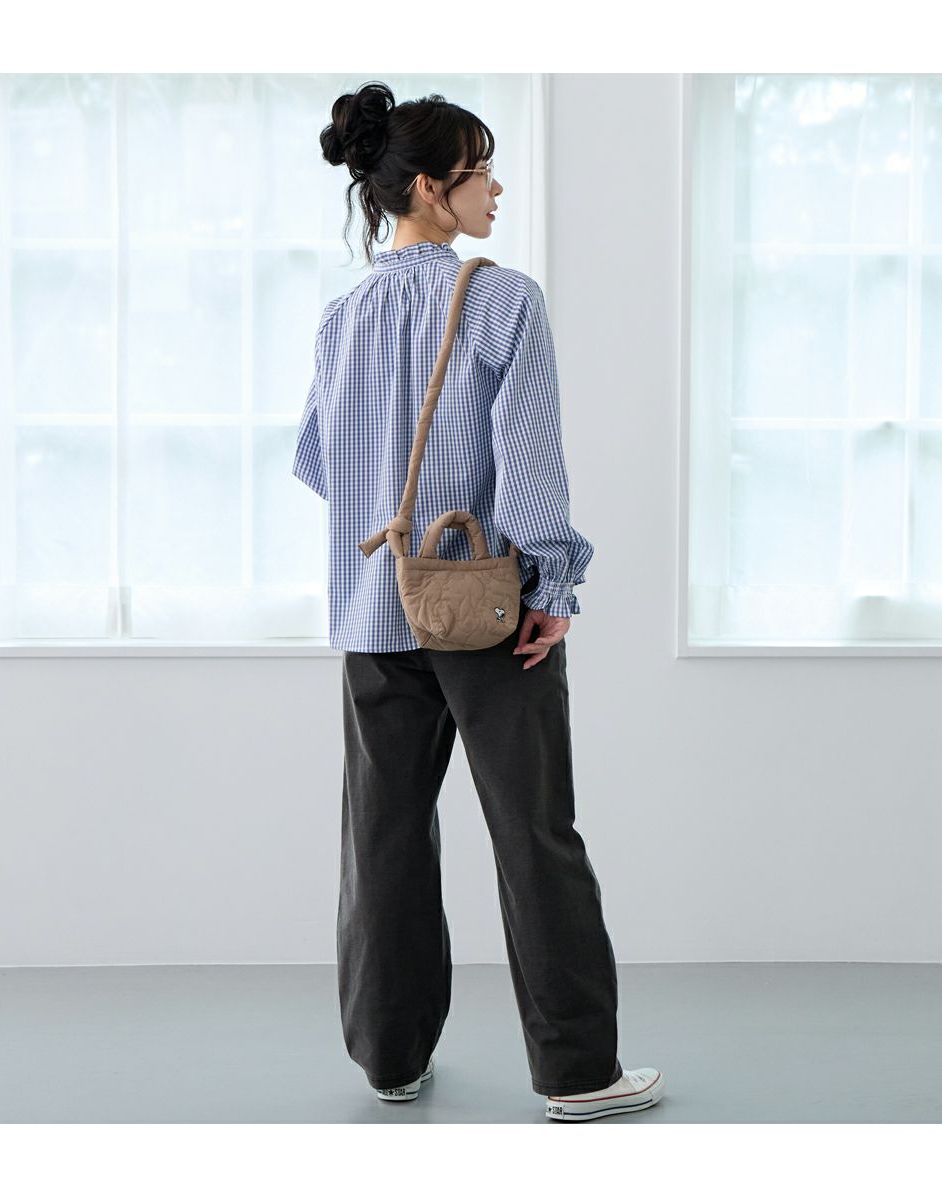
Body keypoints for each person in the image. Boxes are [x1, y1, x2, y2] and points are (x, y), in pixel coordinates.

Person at [292, 80, 665, 1122]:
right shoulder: (503, 300)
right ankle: (578, 1074)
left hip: (375, 612)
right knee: (535, 837)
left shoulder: (342, 315)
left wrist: (388, 513)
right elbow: (530, 464)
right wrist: (554, 581)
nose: (496, 189)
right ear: (428, 187)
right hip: (490, 616)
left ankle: (390, 1060)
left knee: (384, 841)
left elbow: (318, 460)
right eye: (480, 172)